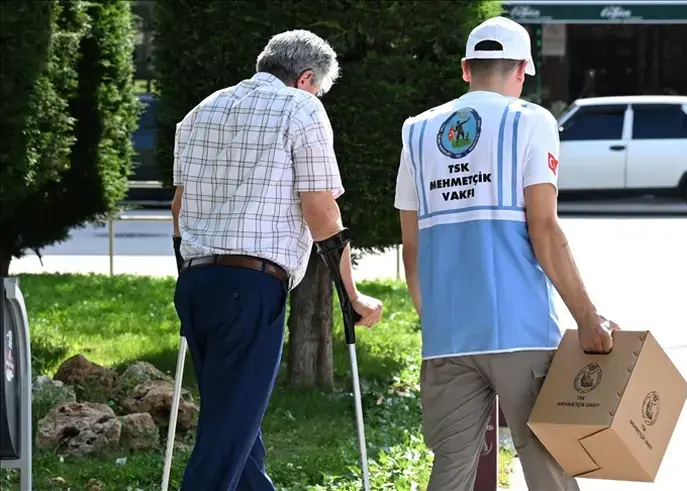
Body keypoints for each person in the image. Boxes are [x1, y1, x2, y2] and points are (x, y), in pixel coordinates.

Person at [393, 17, 618, 491]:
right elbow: (544, 228)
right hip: (520, 331)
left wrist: (432, 318)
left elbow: (411, 245)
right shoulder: (531, 121)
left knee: (451, 468)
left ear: (465, 69)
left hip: (448, 336)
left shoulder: (416, 132)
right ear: (521, 71)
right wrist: (587, 316)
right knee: (547, 465)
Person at [170, 30, 383, 491]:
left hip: (195, 283)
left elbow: (178, 211)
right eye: (319, 88)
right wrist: (352, 295)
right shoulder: (301, 108)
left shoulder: (199, 112)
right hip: (249, 287)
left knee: (237, 427)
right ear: (306, 78)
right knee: (225, 439)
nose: (319, 96)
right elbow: (322, 211)